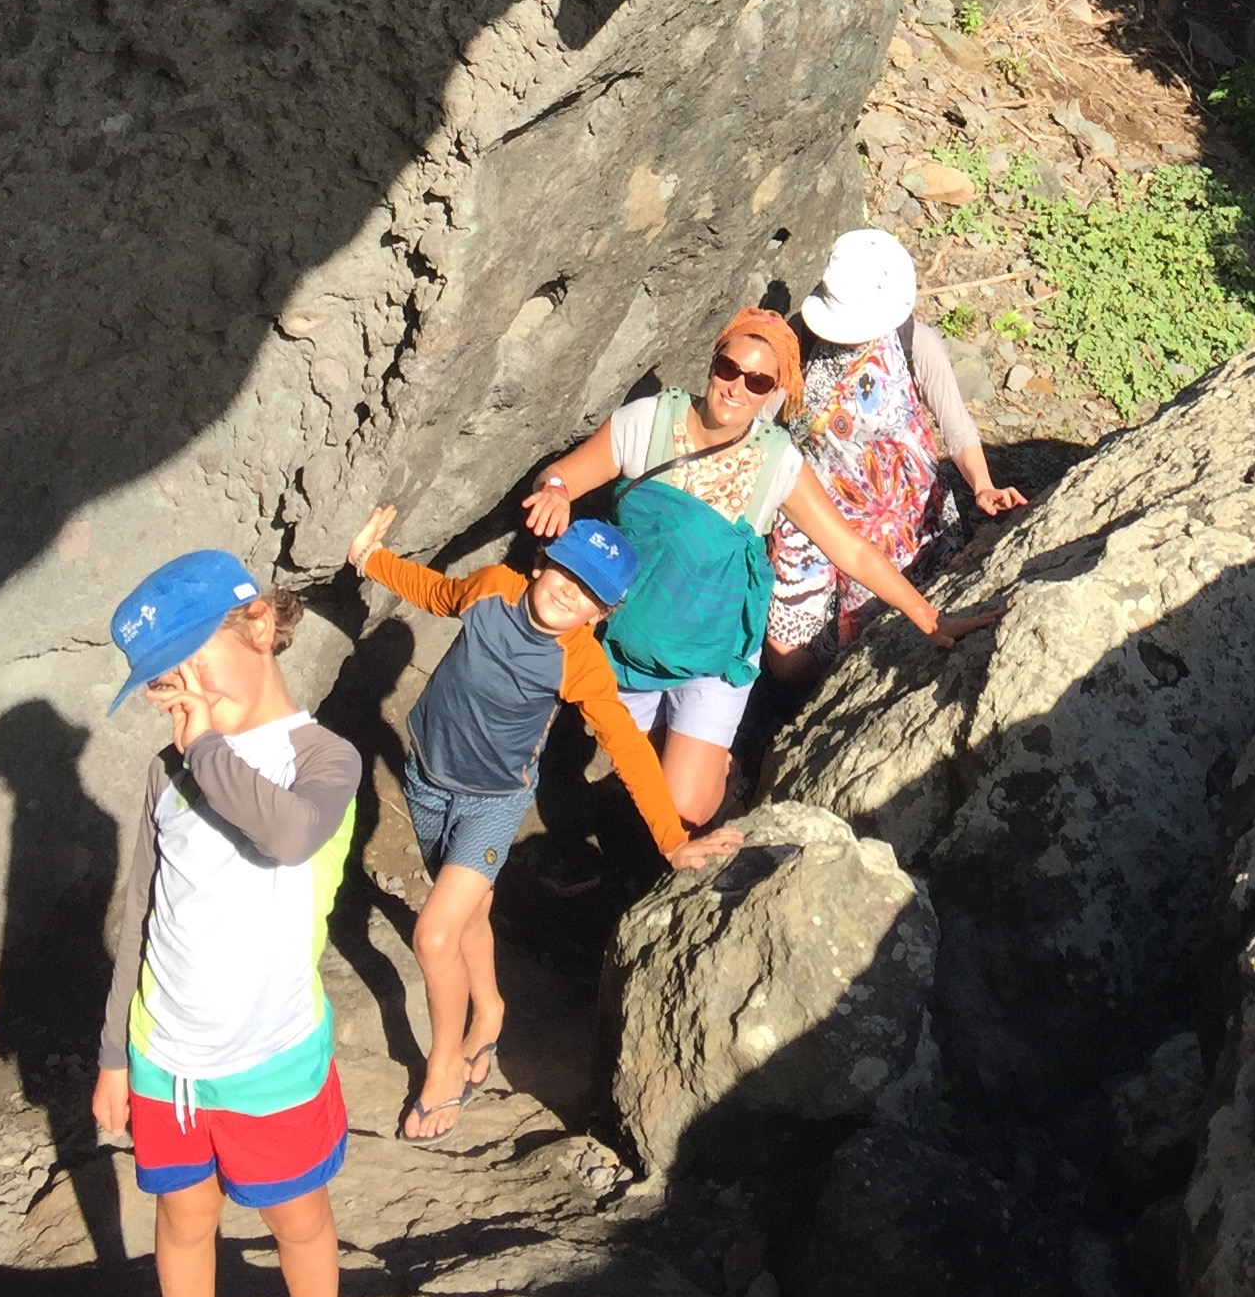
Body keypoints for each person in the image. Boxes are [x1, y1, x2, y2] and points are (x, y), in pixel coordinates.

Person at [92, 547, 393, 1297]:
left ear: (260, 625)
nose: (184, 696)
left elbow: (289, 835)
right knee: (183, 1218)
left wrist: (208, 750)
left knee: (299, 1217)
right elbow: (143, 912)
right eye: (164, 684)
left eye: (195, 665)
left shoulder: (323, 758)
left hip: (272, 1057)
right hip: (168, 1058)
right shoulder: (168, 771)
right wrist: (114, 1056)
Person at [345, 507, 738, 1144]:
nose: (569, 592)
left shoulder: (579, 663)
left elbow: (628, 747)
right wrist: (371, 560)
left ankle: (442, 1069)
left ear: (600, 614)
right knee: (468, 911)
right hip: (426, 781)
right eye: (567, 573)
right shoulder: (491, 590)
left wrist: (672, 838)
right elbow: (437, 593)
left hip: (493, 802)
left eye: (589, 593)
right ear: (540, 564)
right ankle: (490, 1011)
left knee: (434, 936)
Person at [526, 301, 1004, 812]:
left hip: (712, 652)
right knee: (640, 781)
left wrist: (930, 619)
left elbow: (850, 550)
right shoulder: (645, 423)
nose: (736, 388)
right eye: (728, 369)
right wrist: (554, 492)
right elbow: (558, 477)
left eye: (757, 382)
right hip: (632, 642)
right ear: (712, 363)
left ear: (776, 392)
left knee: (683, 805)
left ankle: (723, 775)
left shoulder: (778, 464)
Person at [771, 229, 1027, 679]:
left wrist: (982, 484)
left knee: (893, 620)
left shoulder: (912, 341)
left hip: (904, 510)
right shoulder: (797, 349)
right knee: (788, 657)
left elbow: (955, 424)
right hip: (815, 510)